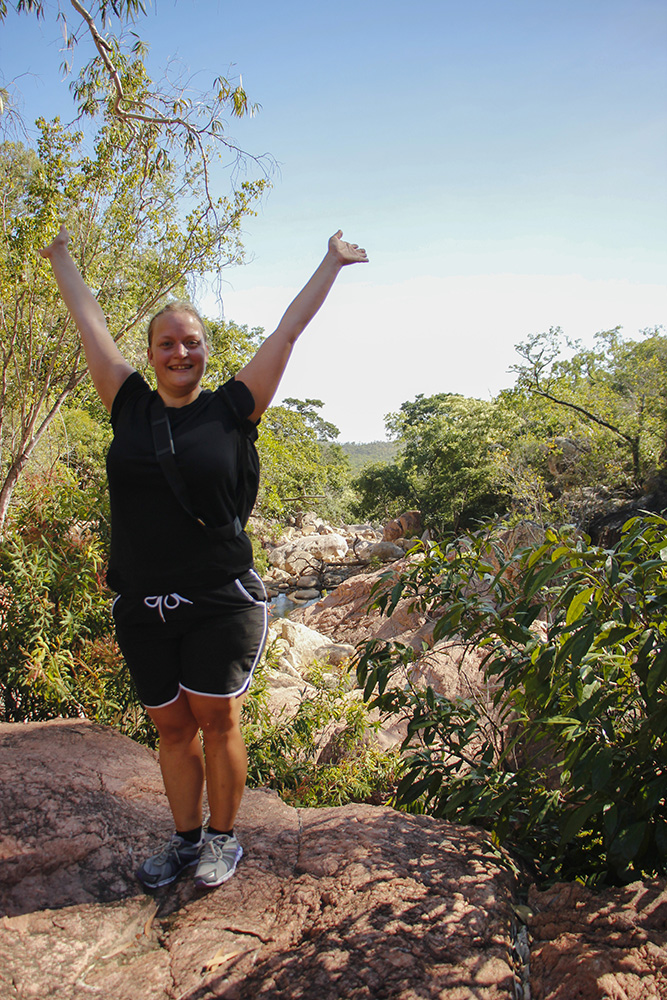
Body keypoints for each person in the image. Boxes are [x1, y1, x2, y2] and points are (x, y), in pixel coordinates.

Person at [39, 224, 368, 889]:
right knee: (169, 729)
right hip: (143, 601)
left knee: (216, 721)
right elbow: (89, 324)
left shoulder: (232, 409)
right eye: (167, 343)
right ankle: (185, 840)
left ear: (205, 352)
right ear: (153, 353)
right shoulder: (126, 403)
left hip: (219, 598)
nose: (179, 352)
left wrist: (329, 261)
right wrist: (60, 257)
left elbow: (285, 334)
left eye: (191, 343)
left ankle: (223, 839)